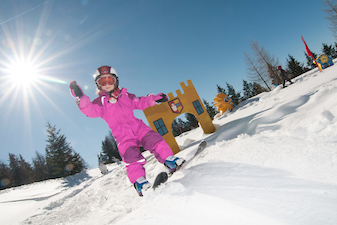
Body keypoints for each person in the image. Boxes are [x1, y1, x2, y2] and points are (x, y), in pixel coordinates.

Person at [69, 65, 185, 196]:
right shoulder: (100, 102)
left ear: (116, 81)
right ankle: (139, 181)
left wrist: (153, 99)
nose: (107, 84)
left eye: (110, 80)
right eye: (103, 82)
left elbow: (140, 101)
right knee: (131, 157)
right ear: (98, 85)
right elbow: (89, 110)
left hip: (138, 127)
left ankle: (169, 159)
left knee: (156, 140)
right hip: (123, 135)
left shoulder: (126, 95)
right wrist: (80, 98)